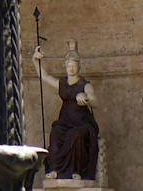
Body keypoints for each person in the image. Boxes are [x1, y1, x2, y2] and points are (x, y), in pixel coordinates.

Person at [34, 41, 100, 181]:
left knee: (76, 135)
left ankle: (76, 171)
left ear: (78, 67)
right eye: (69, 66)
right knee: (56, 133)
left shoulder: (84, 85)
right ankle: (54, 170)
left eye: (74, 66)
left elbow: (96, 101)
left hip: (82, 123)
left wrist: (86, 98)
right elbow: (44, 76)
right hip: (65, 121)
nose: (71, 69)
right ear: (65, 66)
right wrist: (35, 60)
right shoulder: (62, 83)